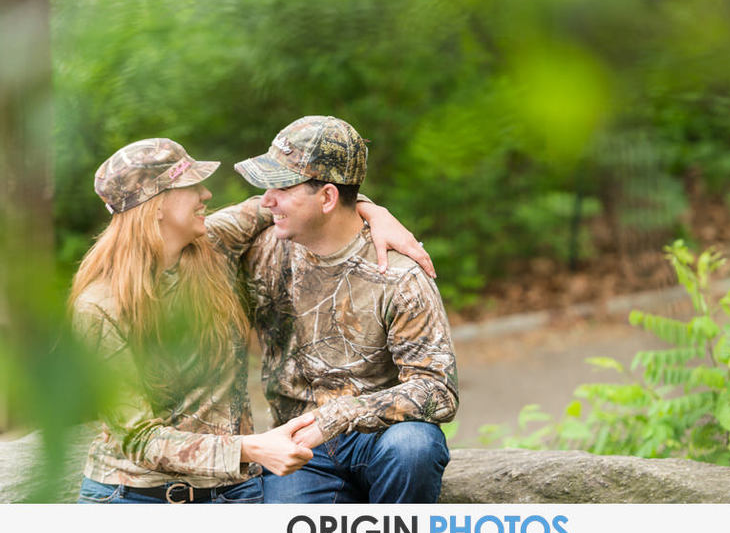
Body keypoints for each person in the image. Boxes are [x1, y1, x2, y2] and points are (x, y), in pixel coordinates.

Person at [70, 137, 432, 503]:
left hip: (231, 493)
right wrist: (252, 448)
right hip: (133, 498)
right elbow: (137, 438)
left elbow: (304, 203)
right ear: (157, 205)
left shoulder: (214, 242)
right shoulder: (100, 305)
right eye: (191, 186)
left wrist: (373, 212)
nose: (206, 194)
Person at [234, 115, 458, 503]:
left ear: (327, 198)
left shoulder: (398, 274)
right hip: (300, 445)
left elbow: (438, 390)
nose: (265, 200)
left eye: (282, 187)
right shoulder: (262, 250)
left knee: (414, 447)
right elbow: (181, 238)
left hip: (381, 437)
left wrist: (336, 417)